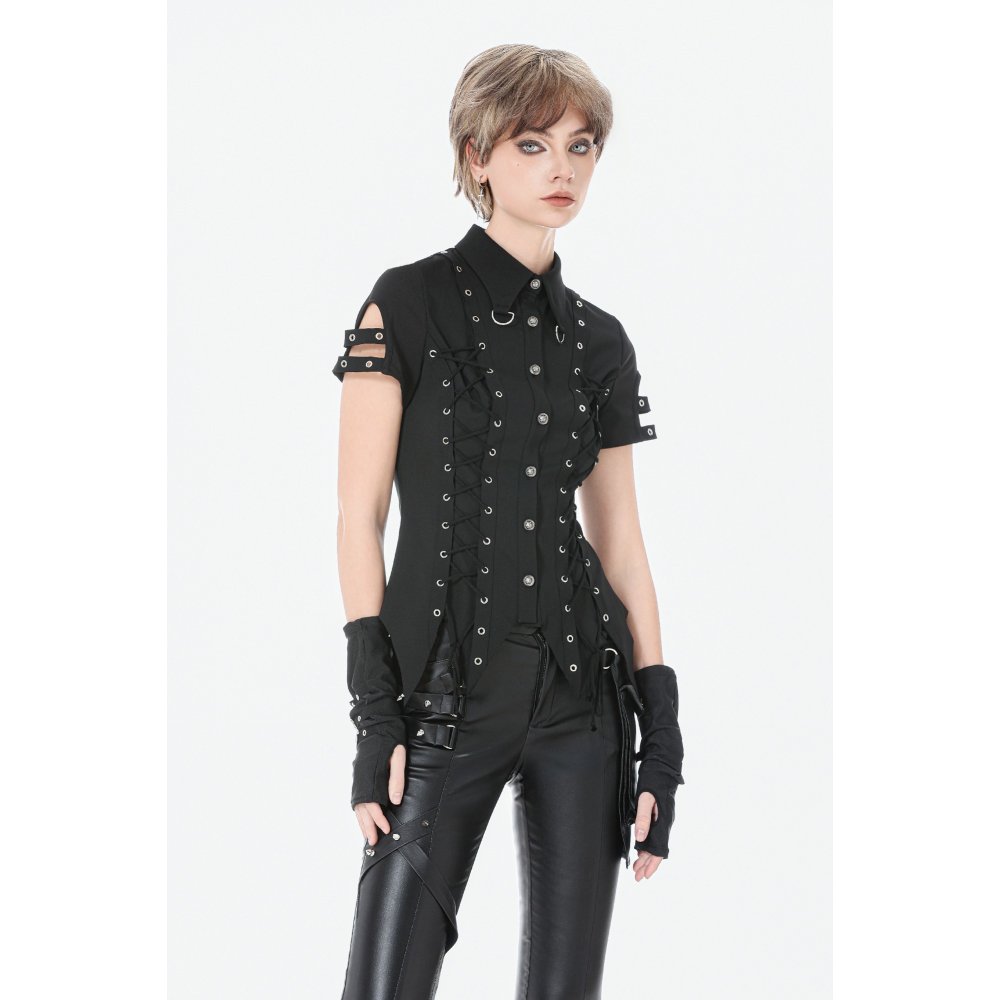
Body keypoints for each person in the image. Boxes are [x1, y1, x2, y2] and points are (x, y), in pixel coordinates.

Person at [333, 43, 686, 1000]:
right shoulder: (406, 302)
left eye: (581, 145)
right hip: (443, 701)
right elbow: (360, 517)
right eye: (533, 144)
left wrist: (662, 734)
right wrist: (375, 712)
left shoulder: (600, 341)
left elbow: (622, 546)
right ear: (476, 155)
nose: (562, 166)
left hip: (584, 705)